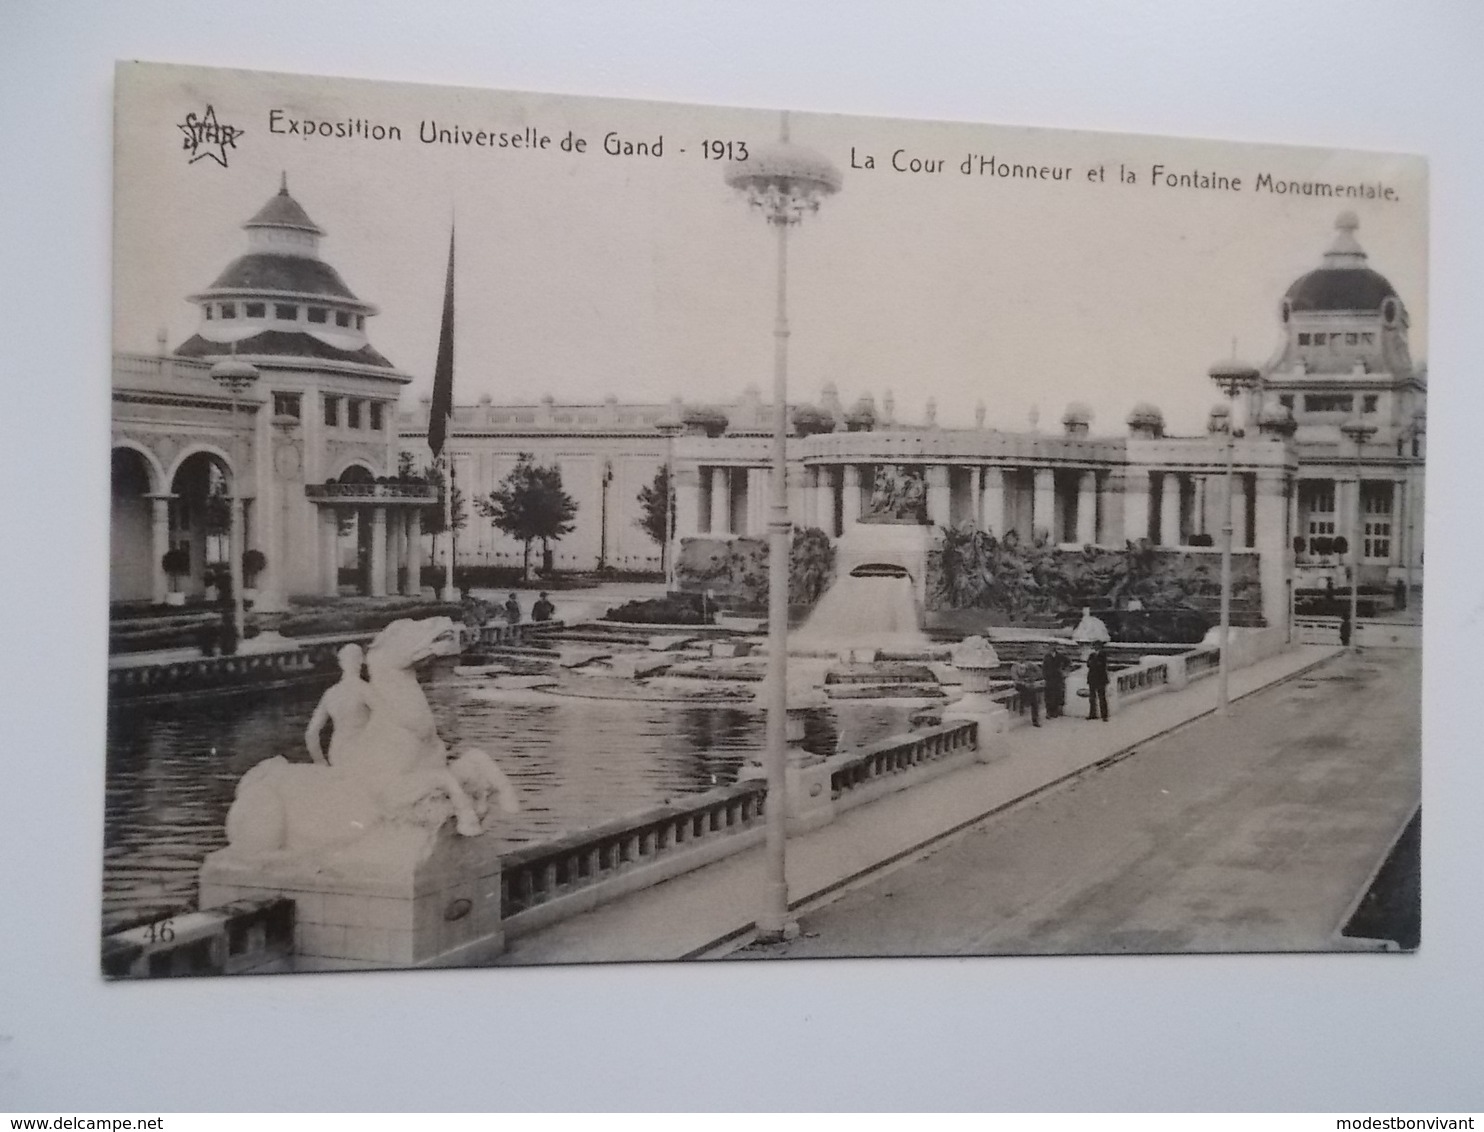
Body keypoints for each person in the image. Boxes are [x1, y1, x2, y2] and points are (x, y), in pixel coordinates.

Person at [304, 643, 378, 766]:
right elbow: (387, 718)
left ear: (341, 663)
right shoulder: (365, 690)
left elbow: (311, 733)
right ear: (361, 661)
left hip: (337, 752)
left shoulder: (330, 693)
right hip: (362, 750)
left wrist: (319, 761)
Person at [1012, 658, 1042, 727]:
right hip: (1020, 685)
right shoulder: (1015, 667)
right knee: (1030, 692)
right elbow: (1015, 679)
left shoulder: (1029, 664)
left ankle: (1035, 719)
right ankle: (1026, 704)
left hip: (1029, 684)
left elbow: (1039, 671)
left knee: (1033, 697)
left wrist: (1033, 678)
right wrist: (1024, 683)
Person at [1042, 645, 1069, 719]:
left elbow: (1067, 661)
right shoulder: (1047, 656)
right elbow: (1044, 667)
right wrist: (1045, 676)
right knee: (1048, 695)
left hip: (1057, 678)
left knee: (1057, 694)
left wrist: (1062, 669)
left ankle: (1055, 711)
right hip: (1049, 678)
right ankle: (1049, 712)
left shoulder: (1060, 656)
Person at [1085, 640, 1110, 722]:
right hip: (1092, 679)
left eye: (1097, 645)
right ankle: (1092, 714)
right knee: (1092, 698)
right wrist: (1094, 664)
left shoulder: (1103, 655)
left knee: (1102, 697)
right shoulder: (1092, 655)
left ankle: (1104, 715)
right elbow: (1088, 664)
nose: (1096, 647)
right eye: (1095, 645)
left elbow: (1101, 665)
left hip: (1100, 679)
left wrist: (1093, 664)